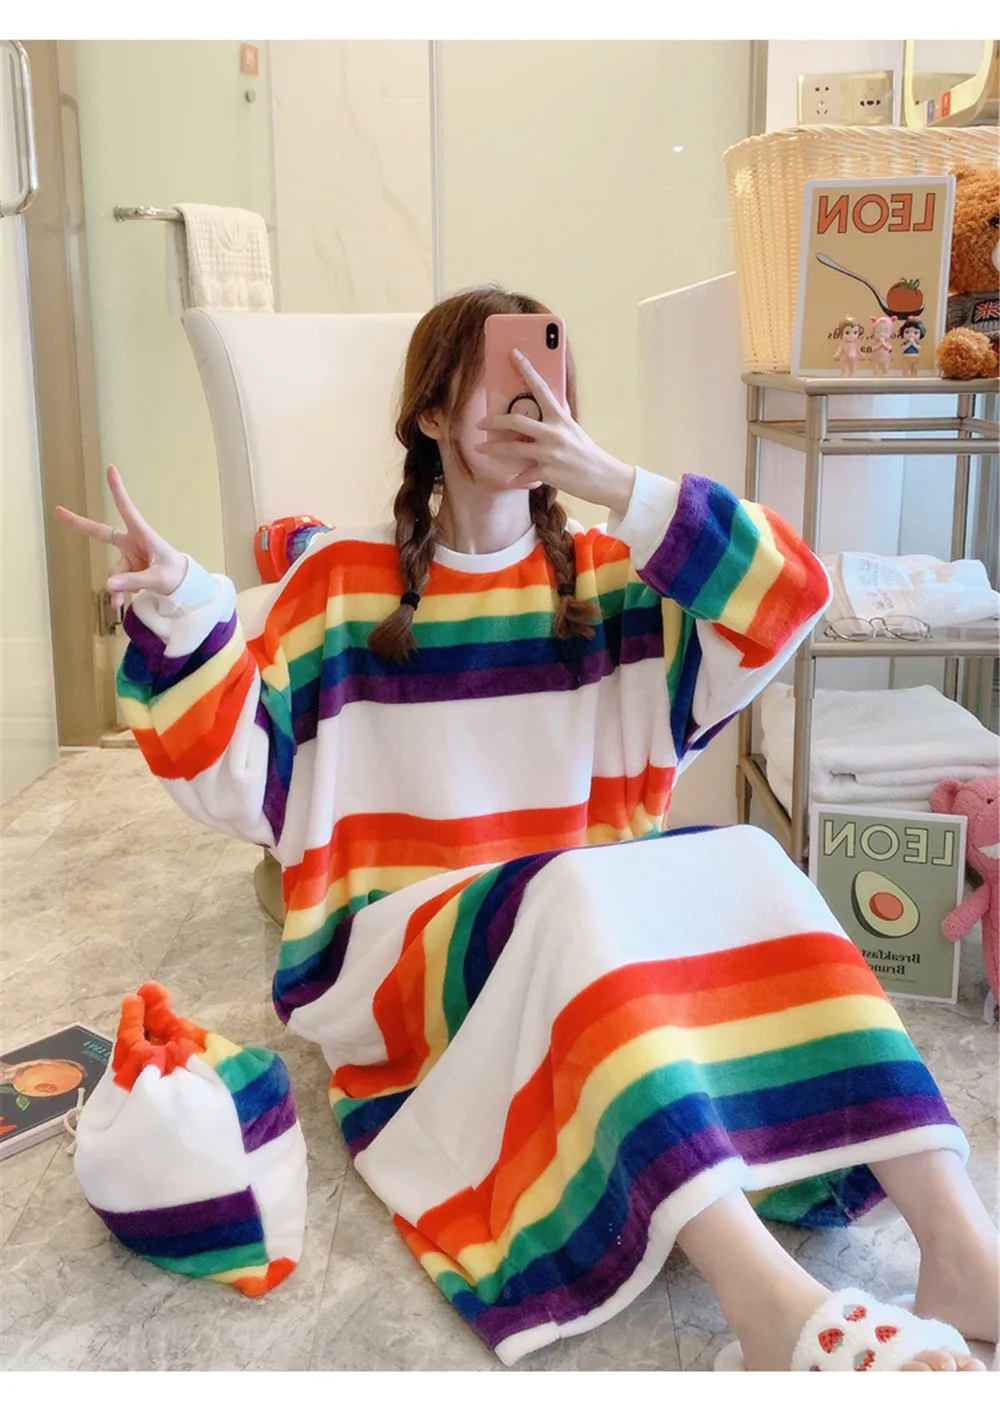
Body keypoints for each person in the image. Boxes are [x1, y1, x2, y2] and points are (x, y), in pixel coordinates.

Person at [58, 285, 997, 1373]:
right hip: (404, 964)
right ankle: (771, 1306)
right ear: (429, 413)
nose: (523, 400)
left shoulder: (611, 578)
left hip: (582, 943)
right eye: (492, 380)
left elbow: (791, 595)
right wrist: (182, 608)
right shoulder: (340, 585)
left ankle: (960, 1249)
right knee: (572, 887)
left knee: (744, 854)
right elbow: (237, 779)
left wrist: (614, 483)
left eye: (541, 376)